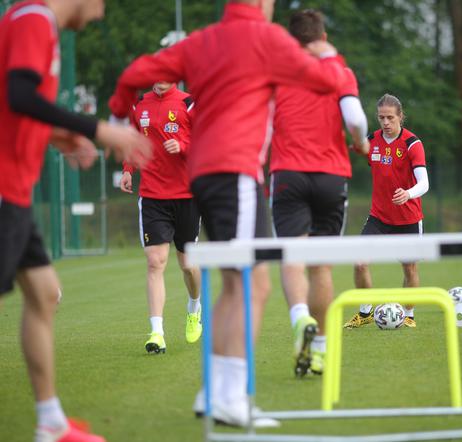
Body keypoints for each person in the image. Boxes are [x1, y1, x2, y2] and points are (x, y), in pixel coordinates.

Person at [108, 0, 348, 427]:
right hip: (235, 172)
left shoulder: (201, 40)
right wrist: (325, 51)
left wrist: (115, 113)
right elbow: (328, 81)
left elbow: (131, 77)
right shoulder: (269, 37)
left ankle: (213, 392)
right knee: (254, 286)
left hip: (202, 175)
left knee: (235, 287)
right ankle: (232, 398)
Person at [0, 1, 151, 441]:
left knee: (45, 295)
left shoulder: (27, 21)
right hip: (4, 190)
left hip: (16, 192)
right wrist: (97, 129)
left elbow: (15, 111)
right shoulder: (34, 20)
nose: (102, 13)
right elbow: (20, 95)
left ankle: (51, 423)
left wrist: (62, 137)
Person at [269, 9, 369, 377]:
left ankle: (299, 318)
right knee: (321, 263)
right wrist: (359, 144)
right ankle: (322, 351)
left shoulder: (278, 74)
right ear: (323, 37)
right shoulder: (339, 71)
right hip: (331, 174)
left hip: (288, 173)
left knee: (293, 255)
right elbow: (356, 120)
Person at [120, 81, 202, 353]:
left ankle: (194, 307)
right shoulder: (139, 105)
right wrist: (128, 169)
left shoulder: (189, 103)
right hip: (153, 195)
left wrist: (183, 146)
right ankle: (157, 332)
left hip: (186, 196)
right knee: (156, 262)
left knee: (188, 264)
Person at [344, 94, 429, 329]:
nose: (385, 122)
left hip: (408, 218)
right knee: (360, 262)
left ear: (400, 116)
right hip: (379, 217)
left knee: (409, 268)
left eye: (390, 117)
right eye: (381, 118)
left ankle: (408, 315)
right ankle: (365, 312)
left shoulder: (413, 144)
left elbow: (424, 183)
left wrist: (408, 194)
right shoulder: (372, 141)